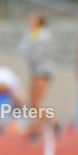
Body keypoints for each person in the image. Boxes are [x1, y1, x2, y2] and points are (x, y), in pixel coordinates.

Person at [20, 12, 58, 141]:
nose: (30, 21)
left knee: (37, 103)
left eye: (33, 19)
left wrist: (29, 55)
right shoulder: (33, 34)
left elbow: (35, 54)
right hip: (36, 70)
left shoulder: (42, 35)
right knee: (34, 103)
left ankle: (42, 128)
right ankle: (51, 123)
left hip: (42, 70)